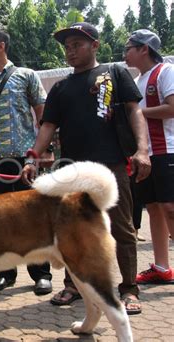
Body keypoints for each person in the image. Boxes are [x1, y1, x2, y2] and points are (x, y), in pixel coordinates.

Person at [21, 22, 151, 315]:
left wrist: (142, 150)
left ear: (95, 45)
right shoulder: (61, 88)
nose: (71, 51)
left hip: (113, 165)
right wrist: (32, 157)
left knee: (122, 229)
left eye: (77, 44)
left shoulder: (115, 73)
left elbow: (134, 111)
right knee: (72, 230)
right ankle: (73, 286)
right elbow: (47, 126)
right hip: (73, 170)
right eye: (67, 47)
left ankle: (129, 289)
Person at [0, 27, 53, 295]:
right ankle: (4, 273)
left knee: (31, 217)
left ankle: (41, 274)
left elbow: (43, 115)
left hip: (23, 159)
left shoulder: (26, 76)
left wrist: (43, 150)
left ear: (1, 46)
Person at [124, 29, 174, 283]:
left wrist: (139, 114)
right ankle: (162, 267)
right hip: (146, 155)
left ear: (144, 49)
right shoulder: (137, 80)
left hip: (167, 150)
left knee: (169, 208)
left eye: (128, 47)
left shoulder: (166, 72)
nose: (125, 53)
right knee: (153, 208)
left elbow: (173, 108)